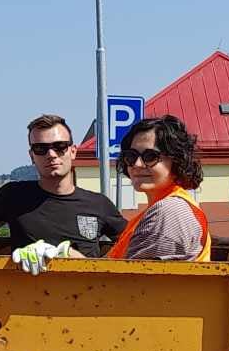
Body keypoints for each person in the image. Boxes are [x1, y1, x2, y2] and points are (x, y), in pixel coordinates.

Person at [13, 115, 212, 272]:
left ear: (176, 160)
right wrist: (65, 254)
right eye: (131, 156)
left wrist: (63, 256)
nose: (137, 164)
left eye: (150, 156)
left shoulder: (169, 212)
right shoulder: (165, 207)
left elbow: (129, 292)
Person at [0, 114, 125, 252]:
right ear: (31, 156)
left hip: (86, 292)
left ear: (73, 151)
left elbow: (134, 245)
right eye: (40, 149)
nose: (51, 154)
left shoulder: (99, 204)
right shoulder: (14, 195)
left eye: (59, 146)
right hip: (24, 292)